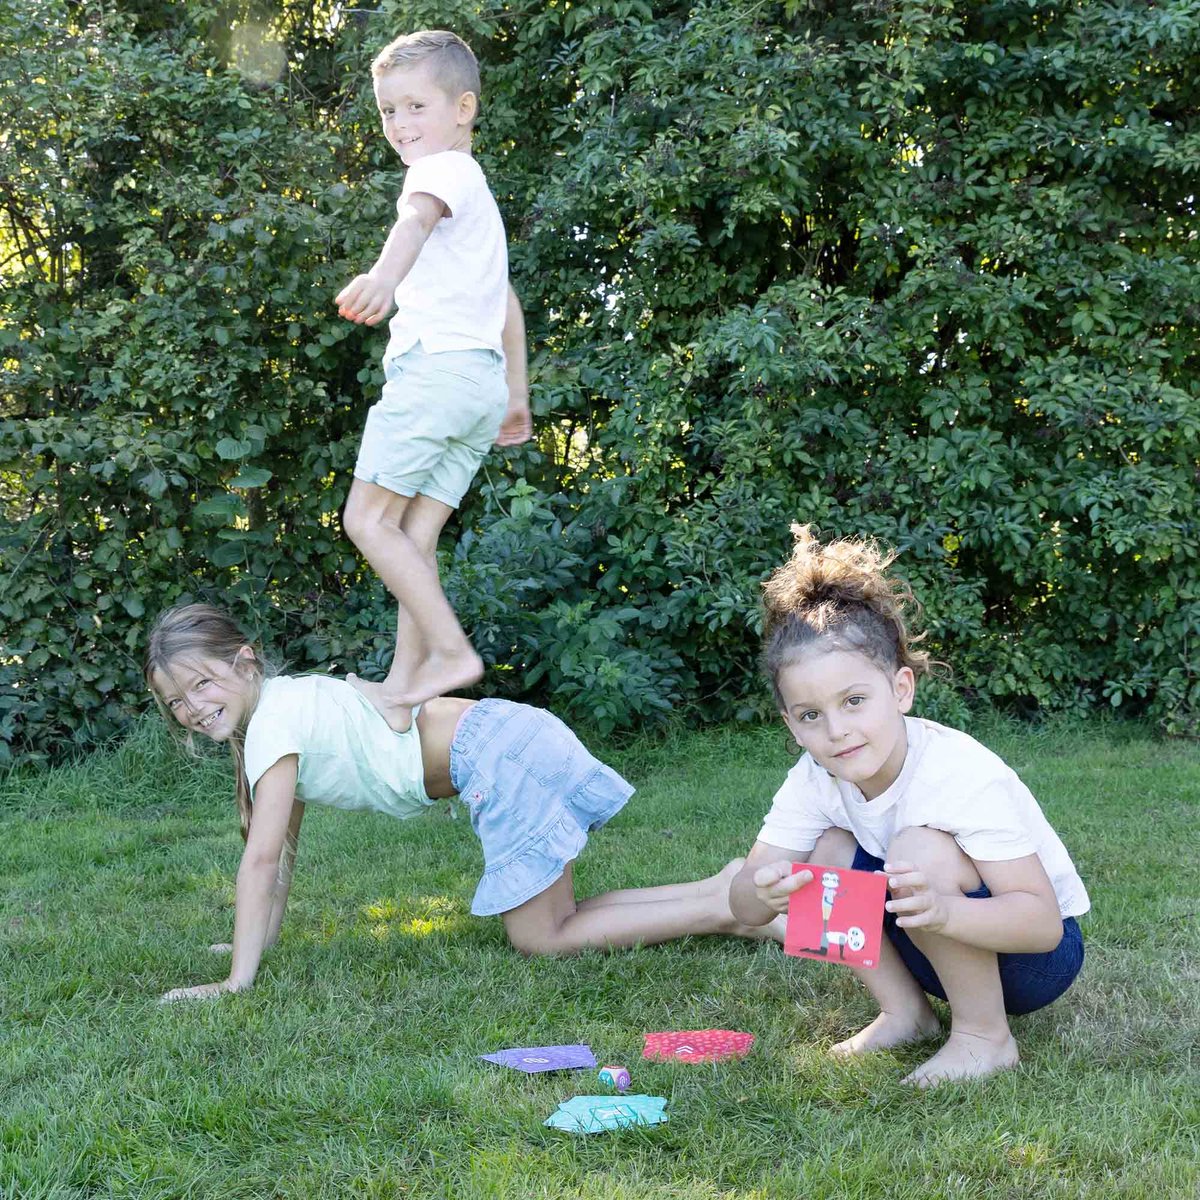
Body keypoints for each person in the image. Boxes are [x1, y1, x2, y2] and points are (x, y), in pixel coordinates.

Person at [146, 604, 781, 1003]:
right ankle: (722, 890)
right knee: (558, 918)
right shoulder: (284, 702)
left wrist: (236, 983)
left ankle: (728, 910)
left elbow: (259, 864)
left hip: (495, 753)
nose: (194, 708)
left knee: (544, 937)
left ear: (245, 661)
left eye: (202, 683)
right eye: (177, 702)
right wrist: (249, 945)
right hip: (509, 736)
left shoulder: (274, 726)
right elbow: (279, 853)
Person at [728, 525, 1089, 1086]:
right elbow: (745, 905)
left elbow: (1042, 925)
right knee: (826, 851)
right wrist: (766, 890)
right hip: (929, 937)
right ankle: (906, 1013)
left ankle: (984, 1037)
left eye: (854, 701)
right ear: (791, 725)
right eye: (810, 715)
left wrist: (948, 913)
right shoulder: (813, 777)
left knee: (918, 848)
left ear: (900, 690)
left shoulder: (956, 771)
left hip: (1030, 961)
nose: (837, 731)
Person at [334, 29, 532, 719]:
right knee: (413, 539)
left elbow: (413, 225)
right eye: (389, 111)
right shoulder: (480, 198)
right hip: (476, 385)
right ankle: (401, 690)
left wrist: (383, 278)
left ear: (463, 109)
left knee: (366, 519)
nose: (400, 125)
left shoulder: (439, 174)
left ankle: (451, 653)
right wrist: (514, 396)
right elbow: (504, 301)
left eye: (416, 106)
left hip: (435, 375)